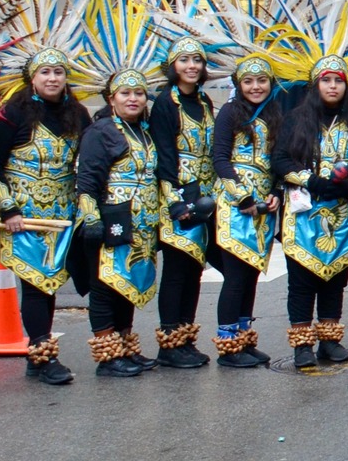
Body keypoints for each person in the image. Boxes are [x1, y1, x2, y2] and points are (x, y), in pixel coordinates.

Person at [0, 48, 93, 386]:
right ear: (32, 77)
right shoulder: (12, 113)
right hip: (23, 218)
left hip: (62, 216)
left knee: (51, 286)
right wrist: (8, 209)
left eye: (58, 73)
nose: (52, 79)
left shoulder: (78, 114)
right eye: (45, 72)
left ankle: (39, 356)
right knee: (35, 286)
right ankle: (41, 353)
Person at [275, 55, 348, 369]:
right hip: (304, 211)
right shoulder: (296, 118)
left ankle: (330, 339)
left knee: (335, 277)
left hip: (343, 211)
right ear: (316, 85)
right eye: (326, 80)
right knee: (301, 280)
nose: (333, 86)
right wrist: (310, 179)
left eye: (338, 80)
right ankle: (303, 345)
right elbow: (281, 161)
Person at [75, 64, 165, 377]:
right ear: (111, 98)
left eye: (139, 93)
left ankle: (125, 346)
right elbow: (87, 179)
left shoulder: (143, 130)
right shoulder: (101, 132)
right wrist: (91, 218)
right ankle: (107, 355)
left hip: (142, 224)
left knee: (127, 283)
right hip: (111, 220)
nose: (133, 99)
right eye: (125, 93)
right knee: (104, 286)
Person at [149, 37, 218, 369]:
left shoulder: (204, 101)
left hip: (204, 196)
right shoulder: (165, 104)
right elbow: (163, 154)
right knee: (177, 271)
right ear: (172, 65)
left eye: (197, 60)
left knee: (194, 271)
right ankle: (169, 342)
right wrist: (174, 201)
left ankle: (185, 339)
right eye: (184, 60)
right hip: (177, 197)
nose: (192, 66)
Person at [211, 56, 284, 367]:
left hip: (264, 206)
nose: (256, 87)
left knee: (252, 273)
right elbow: (220, 158)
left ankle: (244, 338)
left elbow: (280, 159)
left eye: (262, 81)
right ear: (238, 85)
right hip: (234, 205)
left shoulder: (275, 114)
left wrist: (277, 191)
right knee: (236, 275)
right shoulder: (229, 113)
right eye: (249, 82)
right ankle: (228, 347)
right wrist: (242, 198)